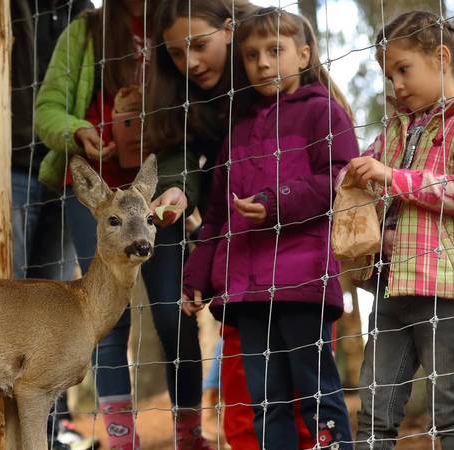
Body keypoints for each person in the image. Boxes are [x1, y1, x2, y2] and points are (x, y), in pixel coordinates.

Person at [181, 7, 356, 449]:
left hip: (303, 284)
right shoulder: (237, 129)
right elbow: (217, 216)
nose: (262, 63)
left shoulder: (324, 113)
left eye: (274, 51)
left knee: (317, 393)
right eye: (252, 54)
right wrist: (195, 278)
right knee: (265, 401)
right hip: (247, 291)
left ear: (303, 55)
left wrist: (276, 204)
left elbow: (338, 180)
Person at [147, 2, 318, 449]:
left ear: (229, 30)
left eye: (199, 46)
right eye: (177, 55)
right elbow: (199, 178)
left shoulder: (284, 76)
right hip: (240, 261)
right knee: (249, 384)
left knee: (310, 382)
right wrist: (182, 191)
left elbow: (331, 167)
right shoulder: (186, 99)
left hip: (304, 256)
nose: (191, 63)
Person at [347, 11, 454, 450]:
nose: (395, 85)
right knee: (373, 408)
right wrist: (356, 180)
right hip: (392, 287)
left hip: (449, 291)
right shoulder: (398, 126)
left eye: (403, 69)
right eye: (389, 75)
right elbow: (368, 178)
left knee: (452, 409)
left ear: (441, 57)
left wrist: (391, 177)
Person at [34, 1, 152, 448]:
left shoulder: (176, 25)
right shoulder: (87, 31)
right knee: (107, 317)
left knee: (169, 310)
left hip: (159, 187)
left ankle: (188, 430)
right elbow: (47, 108)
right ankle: (122, 439)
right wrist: (77, 130)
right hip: (93, 190)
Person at [10, 1, 97, 449]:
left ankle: (51, 429)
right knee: (4, 296)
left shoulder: (89, 16)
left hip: (64, 170)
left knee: (54, 308)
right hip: (5, 164)